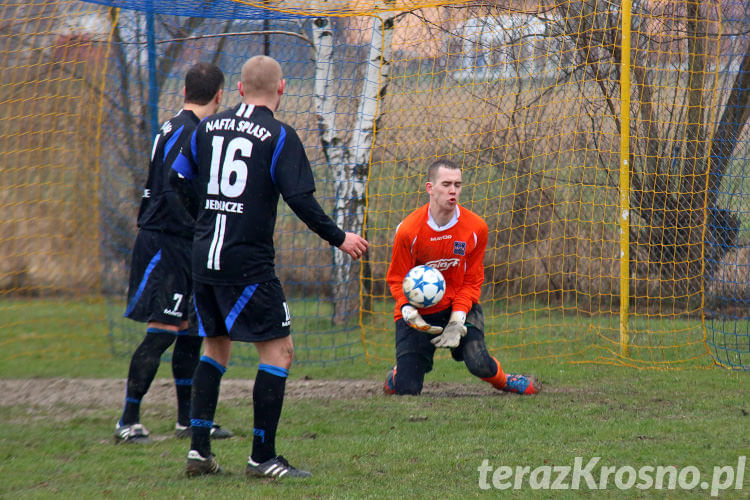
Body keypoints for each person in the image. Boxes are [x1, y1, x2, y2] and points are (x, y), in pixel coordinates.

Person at [170, 55, 368, 478]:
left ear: (239, 89)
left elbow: (178, 179)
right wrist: (341, 237)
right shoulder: (279, 135)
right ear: (281, 89)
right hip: (247, 264)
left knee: (214, 348)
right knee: (279, 351)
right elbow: (300, 199)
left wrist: (204, 219)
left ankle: (198, 452)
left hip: (204, 260)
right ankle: (262, 457)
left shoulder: (206, 126)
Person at [115, 62, 234, 444]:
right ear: (219, 95)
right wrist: (203, 223)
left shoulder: (176, 125)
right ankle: (127, 420)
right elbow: (173, 188)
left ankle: (187, 420)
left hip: (182, 243)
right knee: (164, 331)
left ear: (185, 91)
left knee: (190, 331)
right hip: (167, 242)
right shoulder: (190, 132)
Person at [383, 159, 540, 396]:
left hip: (459, 306)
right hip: (417, 313)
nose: (453, 190)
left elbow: (472, 281)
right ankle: (400, 373)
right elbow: (397, 278)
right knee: (407, 389)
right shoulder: (408, 230)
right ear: (430, 188)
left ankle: (505, 381)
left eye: (457, 184)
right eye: (446, 184)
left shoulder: (476, 228)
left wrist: (457, 319)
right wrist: (406, 308)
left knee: (479, 362)